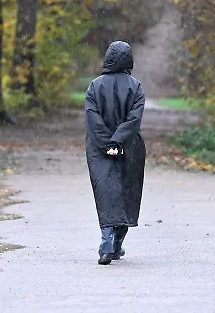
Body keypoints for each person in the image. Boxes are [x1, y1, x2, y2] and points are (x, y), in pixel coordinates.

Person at [84, 40, 146, 265]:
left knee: (106, 193)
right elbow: (134, 120)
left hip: (99, 150)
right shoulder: (136, 87)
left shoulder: (94, 86)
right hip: (129, 147)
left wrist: (106, 144)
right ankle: (116, 243)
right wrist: (118, 141)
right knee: (127, 194)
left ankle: (107, 243)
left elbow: (93, 119)